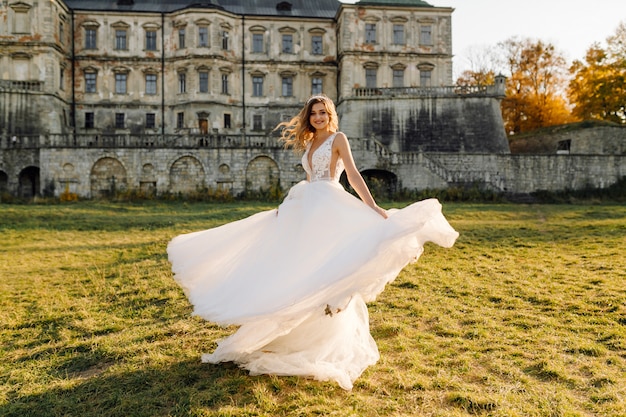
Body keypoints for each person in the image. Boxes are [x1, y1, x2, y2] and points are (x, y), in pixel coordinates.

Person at [167, 94, 459, 390]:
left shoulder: (338, 138)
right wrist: (289, 205)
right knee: (300, 266)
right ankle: (297, 327)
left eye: (322, 112)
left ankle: (329, 322)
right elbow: (308, 180)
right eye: (314, 113)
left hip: (330, 203)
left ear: (330, 114)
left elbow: (354, 175)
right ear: (308, 117)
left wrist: (372, 207)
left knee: (330, 264)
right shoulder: (308, 143)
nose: (318, 117)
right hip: (307, 204)